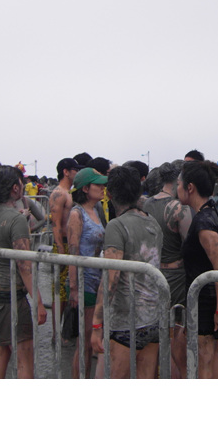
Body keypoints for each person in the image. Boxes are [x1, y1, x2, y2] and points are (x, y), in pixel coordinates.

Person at [90, 166, 163, 379]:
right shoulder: (152, 223)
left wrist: (97, 324)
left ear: (109, 194)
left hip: (125, 321)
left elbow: (111, 279)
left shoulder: (117, 226)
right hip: (153, 318)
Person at [0, 164, 47, 379]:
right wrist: (38, 302)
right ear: (15, 188)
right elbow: (24, 265)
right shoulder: (15, 219)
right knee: (24, 357)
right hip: (9, 297)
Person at [178, 160, 218, 379]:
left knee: (204, 359)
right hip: (202, 300)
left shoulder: (204, 222)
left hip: (206, 303)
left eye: (179, 184)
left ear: (190, 187)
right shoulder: (208, 213)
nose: (177, 189)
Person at [143, 160, 193, 378]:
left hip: (152, 274)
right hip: (175, 275)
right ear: (178, 179)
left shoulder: (146, 204)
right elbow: (189, 245)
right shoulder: (178, 208)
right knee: (176, 331)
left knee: (155, 332)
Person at [67, 167, 107, 378]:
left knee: (90, 340)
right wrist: (74, 288)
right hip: (84, 283)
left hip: (96, 280)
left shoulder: (96, 210)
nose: (102, 188)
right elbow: (72, 252)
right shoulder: (77, 214)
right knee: (84, 341)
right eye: (97, 185)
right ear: (85, 188)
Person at [49, 157, 83, 344]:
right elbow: (55, 224)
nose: (76, 173)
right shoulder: (59, 194)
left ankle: (65, 331)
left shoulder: (70, 192)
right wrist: (60, 250)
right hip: (62, 244)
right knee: (59, 292)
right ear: (66, 171)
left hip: (70, 245)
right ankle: (56, 333)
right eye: (74, 170)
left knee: (68, 290)